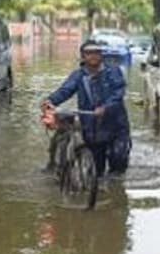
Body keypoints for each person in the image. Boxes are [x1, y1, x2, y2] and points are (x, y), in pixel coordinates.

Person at [41, 40, 131, 177]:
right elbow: (65, 90)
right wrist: (51, 101)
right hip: (92, 128)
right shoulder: (78, 75)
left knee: (118, 161)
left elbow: (118, 93)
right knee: (96, 169)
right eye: (89, 53)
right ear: (83, 56)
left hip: (115, 125)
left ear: (101, 55)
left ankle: (115, 186)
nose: (93, 56)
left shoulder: (113, 72)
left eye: (96, 52)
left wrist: (105, 108)